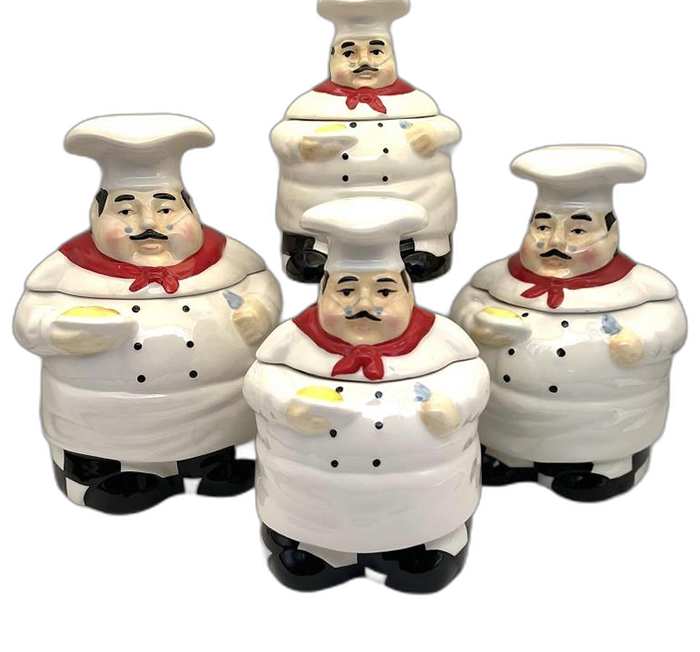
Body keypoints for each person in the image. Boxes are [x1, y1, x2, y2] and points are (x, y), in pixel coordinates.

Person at [14, 114, 282, 513]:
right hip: (102, 419)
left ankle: (208, 466)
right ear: (96, 215)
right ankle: (99, 479)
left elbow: (262, 283)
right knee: (100, 454)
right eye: (125, 212)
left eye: (166, 209)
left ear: (191, 209)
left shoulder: (229, 257)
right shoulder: (66, 270)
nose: (148, 224)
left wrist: (262, 309)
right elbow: (28, 320)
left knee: (207, 441)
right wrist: (58, 332)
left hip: (211, 412)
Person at [244, 197, 489, 592]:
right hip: (312, 504)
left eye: (384, 292)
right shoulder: (291, 341)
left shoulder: (443, 340)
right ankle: (319, 548)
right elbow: (259, 381)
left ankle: (422, 545)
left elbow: (473, 377)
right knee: (305, 557)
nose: (364, 305)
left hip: (423, 504)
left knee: (423, 561)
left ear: (408, 292)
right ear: (323, 291)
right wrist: (287, 407)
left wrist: (455, 406)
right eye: (346, 291)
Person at [451, 145, 687, 501]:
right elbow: (463, 314)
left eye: (578, 231)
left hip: (602, 426)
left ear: (611, 233)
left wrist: (642, 343)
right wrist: (476, 323)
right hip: (506, 420)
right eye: (543, 227)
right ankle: (509, 457)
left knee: (600, 449)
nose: (555, 242)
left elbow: (668, 325)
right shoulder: (495, 281)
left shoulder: (643, 290)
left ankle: (603, 466)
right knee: (503, 439)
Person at [271, 0, 461, 283]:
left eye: (376, 51)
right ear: (332, 56)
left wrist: (436, 134)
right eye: (350, 52)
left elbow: (450, 128)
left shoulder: (416, 102)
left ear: (391, 55)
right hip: (325, 203)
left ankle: (421, 246)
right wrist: (303, 145)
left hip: (411, 201)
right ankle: (314, 248)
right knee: (310, 225)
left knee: (426, 209)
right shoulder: (311, 105)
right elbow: (282, 135)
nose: (364, 61)